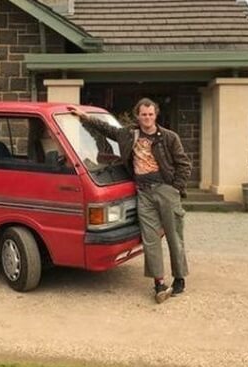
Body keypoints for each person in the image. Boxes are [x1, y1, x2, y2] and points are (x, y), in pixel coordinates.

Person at [68, 99, 192, 304]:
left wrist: (175, 188)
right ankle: (159, 283)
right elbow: (106, 129)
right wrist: (84, 116)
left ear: (156, 115)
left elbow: (184, 164)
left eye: (151, 114)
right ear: (138, 116)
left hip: (166, 190)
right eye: (144, 114)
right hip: (143, 193)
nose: (147, 118)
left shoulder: (169, 137)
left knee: (174, 236)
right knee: (150, 239)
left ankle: (179, 279)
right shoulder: (128, 134)